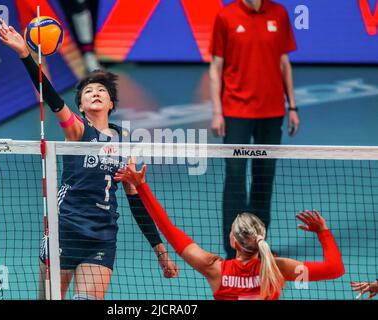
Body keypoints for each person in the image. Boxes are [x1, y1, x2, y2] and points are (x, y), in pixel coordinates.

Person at [0, 19, 179, 300]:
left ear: (110, 104)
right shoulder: (78, 131)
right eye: (88, 92)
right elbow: (54, 100)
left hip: (102, 236)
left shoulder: (124, 142)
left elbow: (135, 201)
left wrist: (160, 251)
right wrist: (25, 55)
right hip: (64, 231)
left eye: (101, 91)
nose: (95, 92)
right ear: (80, 106)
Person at [115, 163, 345, 300]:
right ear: (261, 237)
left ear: (233, 241)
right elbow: (335, 270)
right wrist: (322, 232)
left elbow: (169, 230)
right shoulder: (278, 269)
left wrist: (142, 186)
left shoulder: (214, 268)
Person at [209, 0, 301, 259]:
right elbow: (216, 67)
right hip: (236, 112)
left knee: (264, 178)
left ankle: (258, 245)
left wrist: (292, 106)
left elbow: (284, 62)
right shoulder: (226, 17)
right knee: (235, 178)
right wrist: (217, 111)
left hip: (272, 113)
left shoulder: (279, 14)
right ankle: (233, 249)